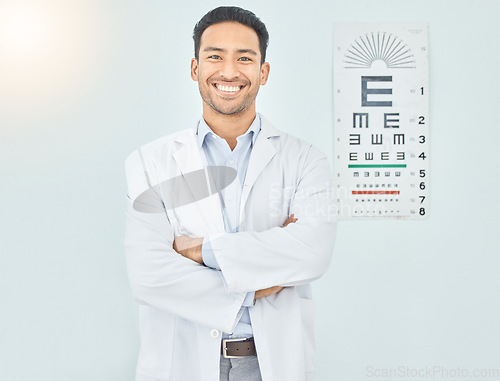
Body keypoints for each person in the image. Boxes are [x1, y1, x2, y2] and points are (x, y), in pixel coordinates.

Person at [124, 6, 336, 381]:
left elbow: (313, 253)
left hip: (270, 363)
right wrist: (261, 282)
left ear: (263, 72)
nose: (229, 71)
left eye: (244, 58)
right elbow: (149, 276)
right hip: (181, 362)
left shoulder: (306, 160)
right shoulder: (149, 164)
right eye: (215, 56)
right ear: (195, 68)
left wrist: (197, 250)